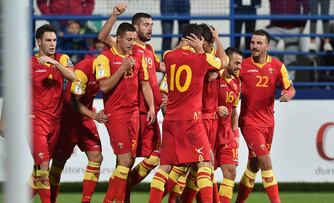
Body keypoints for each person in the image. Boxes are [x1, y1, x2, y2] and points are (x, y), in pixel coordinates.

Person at [148, 23, 226, 203]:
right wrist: (212, 43)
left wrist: (183, 45)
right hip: (191, 120)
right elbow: (224, 61)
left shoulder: (169, 56)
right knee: (205, 164)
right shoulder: (201, 59)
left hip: (170, 120)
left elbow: (170, 56)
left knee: (165, 167)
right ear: (197, 40)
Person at [97, 4, 165, 202]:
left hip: (148, 112)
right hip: (136, 112)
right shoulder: (128, 48)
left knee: (142, 159)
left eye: (152, 25)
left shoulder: (149, 50)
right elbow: (102, 37)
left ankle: (121, 192)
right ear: (135, 28)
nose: (150, 28)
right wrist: (114, 15)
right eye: (146, 24)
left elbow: (157, 71)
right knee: (127, 160)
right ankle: (120, 197)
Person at [235, 29, 296, 203]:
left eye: (259, 43)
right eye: (252, 42)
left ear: (267, 46)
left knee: (253, 166)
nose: (254, 46)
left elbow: (290, 88)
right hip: (249, 122)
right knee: (266, 162)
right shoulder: (243, 65)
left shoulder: (277, 66)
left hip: (268, 123)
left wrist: (288, 94)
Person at [48, 57, 107, 203]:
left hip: (84, 119)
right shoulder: (82, 73)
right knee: (58, 164)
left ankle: (86, 201)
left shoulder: (105, 66)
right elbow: (73, 102)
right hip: (68, 119)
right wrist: (94, 115)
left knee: (96, 157)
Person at [30, 24, 76, 203]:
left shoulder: (62, 59)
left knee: (41, 172)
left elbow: (73, 77)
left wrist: (55, 63)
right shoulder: (29, 64)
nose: (52, 44)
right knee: (42, 169)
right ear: (39, 42)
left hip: (55, 122)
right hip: (36, 121)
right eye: (48, 40)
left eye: (55, 40)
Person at [215, 47, 242, 203]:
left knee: (230, 171)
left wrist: (235, 132)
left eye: (241, 63)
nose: (239, 67)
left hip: (226, 135)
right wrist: (215, 109)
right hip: (209, 132)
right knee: (202, 174)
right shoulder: (214, 76)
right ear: (227, 61)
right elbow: (199, 102)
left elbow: (234, 111)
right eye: (236, 63)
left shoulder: (237, 82)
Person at [266, 0, 309, 80]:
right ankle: (278, 75)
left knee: (291, 55)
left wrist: (302, 24)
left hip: (292, 26)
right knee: (269, 49)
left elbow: (306, 5)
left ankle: (289, 81)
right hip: (275, 25)